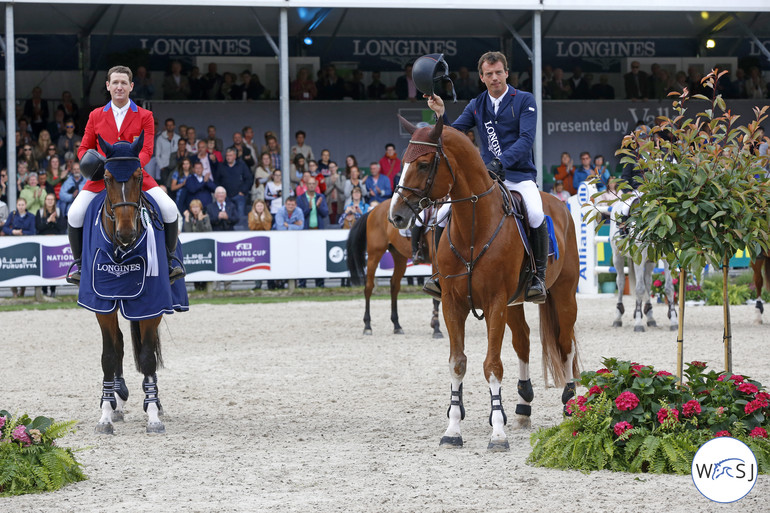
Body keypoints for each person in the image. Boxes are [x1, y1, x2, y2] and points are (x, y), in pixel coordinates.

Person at [423, 51, 547, 303]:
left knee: (535, 213)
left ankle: (538, 277)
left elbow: (526, 140)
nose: (494, 78)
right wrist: (440, 113)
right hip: (487, 179)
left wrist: (501, 162)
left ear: (506, 73)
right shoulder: (477, 104)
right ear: (481, 77)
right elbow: (453, 134)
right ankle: (438, 274)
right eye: (489, 74)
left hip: (518, 176)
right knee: (443, 214)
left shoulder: (524, 100)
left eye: (498, 72)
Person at [71, 65, 182, 285]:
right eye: (115, 83)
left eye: (123, 83)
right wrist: (95, 165)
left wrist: (129, 168)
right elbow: (83, 149)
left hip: (134, 177)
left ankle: (171, 262)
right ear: (108, 86)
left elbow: (147, 150)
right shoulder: (95, 116)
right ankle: (80, 266)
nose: (119, 87)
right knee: (74, 214)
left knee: (170, 209)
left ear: (131, 86)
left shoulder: (145, 116)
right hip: (104, 177)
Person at [36, 192, 66, 297]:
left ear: (54, 201)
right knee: (44, 267)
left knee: (54, 267)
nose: (49, 201)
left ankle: (53, 290)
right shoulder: (39, 212)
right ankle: (44, 291)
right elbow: (38, 228)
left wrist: (55, 221)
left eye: (52, 199)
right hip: (43, 243)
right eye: (48, 199)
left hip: (54, 242)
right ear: (45, 201)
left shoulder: (58, 211)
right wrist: (48, 221)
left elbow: (62, 227)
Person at [215, 147, 252, 218]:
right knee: (226, 216)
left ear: (235, 156)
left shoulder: (242, 165)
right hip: (225, 197)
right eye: (227, 155)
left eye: (230, 155)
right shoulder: (221, 166)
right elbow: (217, 181)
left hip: (239, 196)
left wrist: (243, 191)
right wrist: (221, 193)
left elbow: (249, 179)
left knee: (240, 217)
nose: (228, 157)